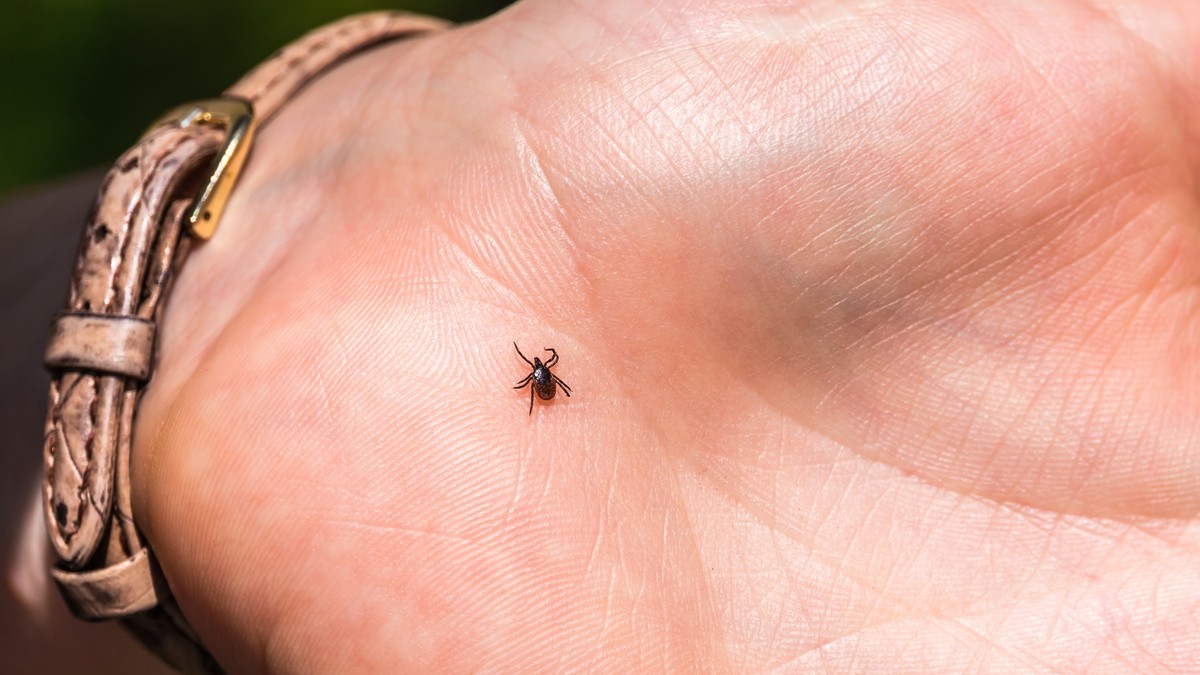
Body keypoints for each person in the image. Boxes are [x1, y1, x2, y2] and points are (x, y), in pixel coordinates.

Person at [4, 0, 1199, 671]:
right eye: (536, 365)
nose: (538, 372)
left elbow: (537, 372)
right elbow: (543, 363)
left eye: (536, 368)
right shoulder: (545, 356)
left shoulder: (536, 374)